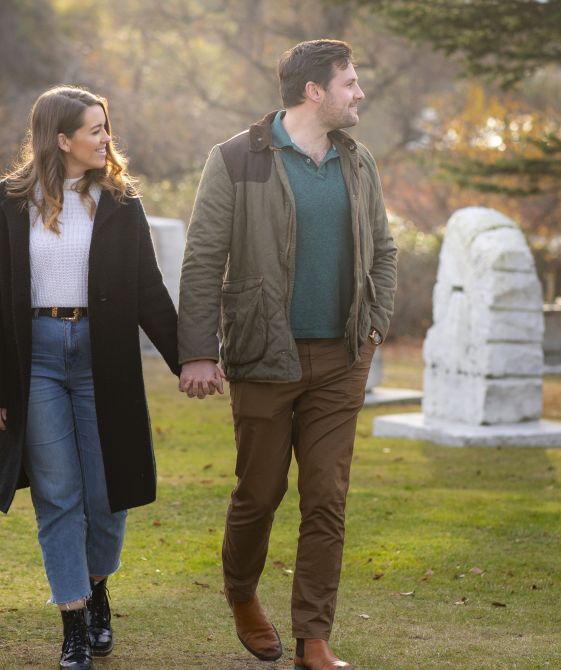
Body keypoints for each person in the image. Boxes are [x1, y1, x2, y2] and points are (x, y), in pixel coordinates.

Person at [178, 39, 397, 669]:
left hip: (342, 359)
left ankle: (313, 636)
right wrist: (198, 351)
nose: (358, 93)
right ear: (315, 92)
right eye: (350, 83)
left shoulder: (358, 162)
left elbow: (383, 250)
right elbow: (202, 261)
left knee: (326, 496)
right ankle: (242, 594)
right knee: (260, 492)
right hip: (262, 355)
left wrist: (374, 329)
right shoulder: (236, 158)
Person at [0, 85, 179, 670]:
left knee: (108, 495)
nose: (107, 138)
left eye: (107, 128)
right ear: (61, 138)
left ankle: (98, 586)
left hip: (104, 359)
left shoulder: (121, 203)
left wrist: (193, 359)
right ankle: (74, 622)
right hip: (37, 361)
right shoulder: (8, 203)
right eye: (96, 129)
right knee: (58, 497)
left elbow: (150, 292)